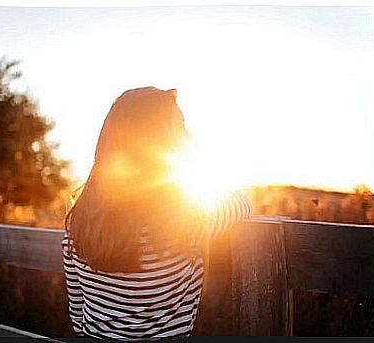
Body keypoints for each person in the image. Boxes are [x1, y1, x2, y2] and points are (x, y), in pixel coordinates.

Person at [62, 87, 252, 340]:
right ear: (160, 143)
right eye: (180, 127)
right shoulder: (186, 220)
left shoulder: (77, 223)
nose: (190, 135)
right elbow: (243, 203)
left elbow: (77, 319)